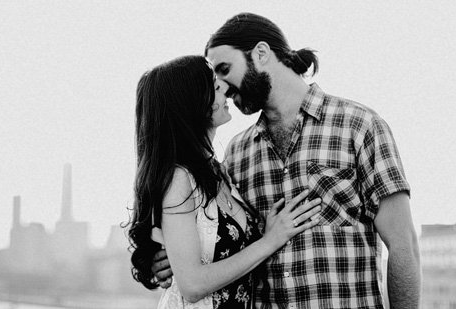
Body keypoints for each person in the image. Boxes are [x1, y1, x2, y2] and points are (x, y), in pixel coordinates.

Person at [152, 14, 421, 309]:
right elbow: (223, 244)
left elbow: (403, 245)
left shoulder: (359, 126)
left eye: (225, 69)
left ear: (261, 53)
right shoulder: (237, 153)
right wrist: (175, 259)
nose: (223, 87)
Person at [127, 55, 322, 308]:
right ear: (193, 104)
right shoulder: (178, 179)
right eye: (216, 88)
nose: (226, 91)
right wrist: (271, 240)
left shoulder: (220, 171)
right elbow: (192, 286)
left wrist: (267, 233)